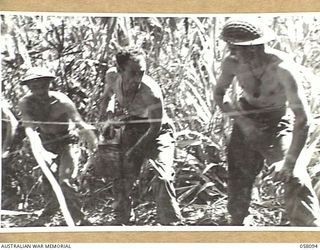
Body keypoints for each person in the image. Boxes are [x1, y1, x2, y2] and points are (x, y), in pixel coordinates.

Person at [213, 18, 320, 226]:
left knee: (295, 176)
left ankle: (311, 232)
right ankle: (238, 226)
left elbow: (303, 118)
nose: (232, 52)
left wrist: (288, 162)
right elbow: (219, 94)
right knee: (239, 178)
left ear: (253, 48)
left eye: (236, 47)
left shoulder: (282, 68)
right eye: (230, 46)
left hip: (277, 122)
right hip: (246, 117)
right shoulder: (232, 63)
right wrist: (243, 122)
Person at [97, 48, 182, 225]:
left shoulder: (151, 92)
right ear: (120, 70)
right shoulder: (112, 76)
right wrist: (108, 115)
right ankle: (123, 219)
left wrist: (135, 151)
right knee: (119, 172)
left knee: (163, 176)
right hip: (133, 125)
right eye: (133, 73)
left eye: (142, 72)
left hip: (158, 131)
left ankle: (173, 225)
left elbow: (155, 127)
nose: (138, 78)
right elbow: (107, 96)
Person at [18, 66, 98, 226]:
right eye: (35, 87)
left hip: (67, 141)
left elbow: (80, 124)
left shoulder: (62, 101)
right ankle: (47, 216)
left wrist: (96, 147)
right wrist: (40, 150)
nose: (40, 90)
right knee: (48, 180)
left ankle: (78, 219)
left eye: (43, 86)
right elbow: (30, 129)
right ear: (29, 87)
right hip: (45, 142)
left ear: (49, 84)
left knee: (66, 181)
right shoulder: (26, 103)